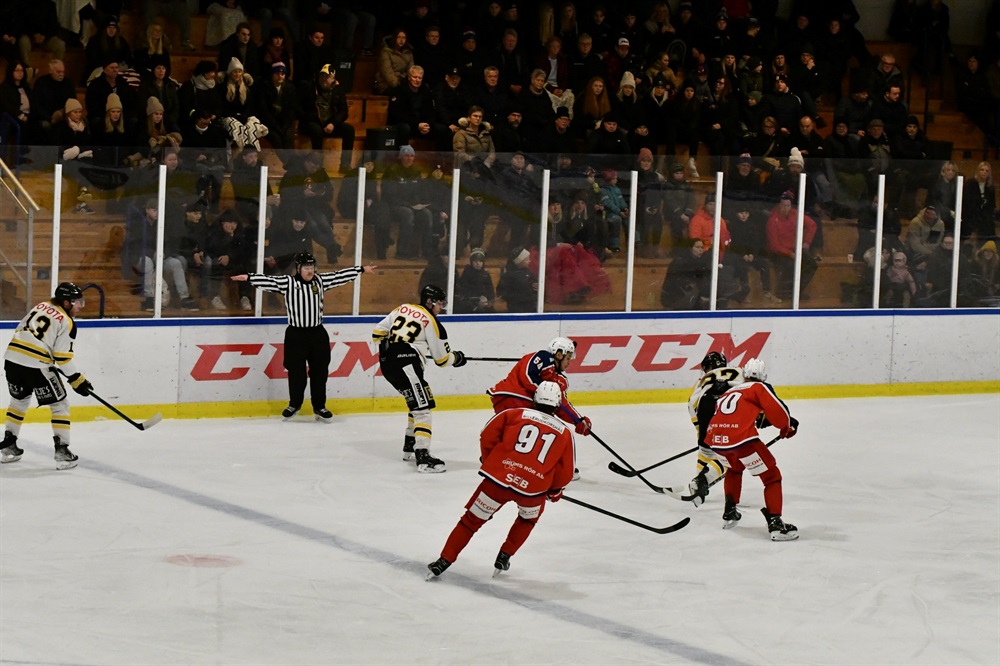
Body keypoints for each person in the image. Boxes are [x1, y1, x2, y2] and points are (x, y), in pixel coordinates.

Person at [426, 380, 575, 579]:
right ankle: (504, 556)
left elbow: (487, 435)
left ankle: (444, 560)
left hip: (497, 481)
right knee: (527, 520)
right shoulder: (564, 433)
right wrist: (555, 490)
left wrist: (490, 460)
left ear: (534, 399)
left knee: (470, 521)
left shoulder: (513, 413)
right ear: (557, 404)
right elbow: (566, 470)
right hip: (532, 490)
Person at [231, 254, 375, 421]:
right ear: (298, 269)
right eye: (306, 268)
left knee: (320, 372)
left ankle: (319, 406)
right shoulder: (289, 282)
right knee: (296, 372)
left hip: (317, 334)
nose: (310, 271)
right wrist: (249, 277)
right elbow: (270, 281)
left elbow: (339, 276)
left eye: (312, 267)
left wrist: (361, 269)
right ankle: (295, 404)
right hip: (296, 335)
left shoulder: (320, 281)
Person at [372, 284, 468, 473]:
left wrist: (393, 349)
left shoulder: (403, 308)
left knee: (415, 403)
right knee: (423, 408)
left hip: (387, 364)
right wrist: (458, 358)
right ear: (430, 302)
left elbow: (378, 332)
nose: (441, 308)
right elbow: (442, 360)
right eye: (439, 303)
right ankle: (423, 457)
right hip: (407, 365)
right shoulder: (432, 322)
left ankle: (410, 446)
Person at [705, 357, 800, 541]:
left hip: (716, 442)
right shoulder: (759, 387)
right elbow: (778, 410)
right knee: (771, 477)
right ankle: (776, 524)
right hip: (742, 442)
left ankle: (729, 512)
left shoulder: (730, 391)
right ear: (763, 376)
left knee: (734, 469)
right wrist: (786, 426)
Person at [2, 283, 91, 470]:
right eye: (76, 302)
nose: (79, 307)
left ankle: (9, 446)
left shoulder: (41, 306)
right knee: (60, 405)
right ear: (65, 303)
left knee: (18, 401)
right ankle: (62, 452)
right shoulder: (67, 322)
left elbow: (20, 330)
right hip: (37, 366)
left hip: (12, 360)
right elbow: (62, 357)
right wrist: (77, 380)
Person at [487, 336, 591, 438]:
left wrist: (578, 421)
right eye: (568, 358)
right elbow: (527, 376)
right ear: (559, 355)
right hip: (513, 396)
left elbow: (561, 404)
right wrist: (547, 393)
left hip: (525, 405)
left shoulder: (561, 380)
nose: (569, 362)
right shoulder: (544, 357)